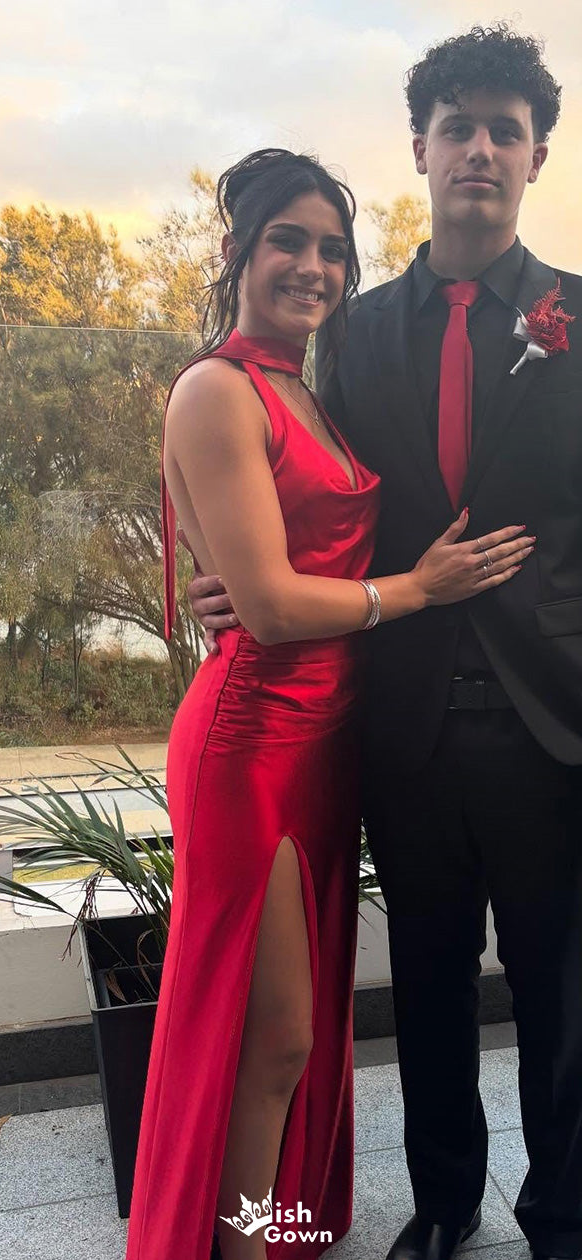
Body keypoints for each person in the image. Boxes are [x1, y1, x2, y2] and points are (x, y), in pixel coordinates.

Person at [188, 26, 582, 1260]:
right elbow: (302, 492)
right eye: (458, 127)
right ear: (422, 147)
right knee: (426, 982)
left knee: (564, 992)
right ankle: (446, 1200)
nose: (480, 150)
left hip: (553, 719)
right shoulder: (348, 333)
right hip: (395, 719)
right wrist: (231, 581)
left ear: (537, 156)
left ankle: (563, 1214)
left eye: (505, 131)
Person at [124, 147, 530, 1260]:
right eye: (288, 242)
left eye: (333, 251)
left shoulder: (305, 384)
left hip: (324, 744)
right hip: (253, 743)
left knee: (285, 1036)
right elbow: (265, 605)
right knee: (278, 1040)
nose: (313, 267)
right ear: (237, 252)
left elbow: (281, 557)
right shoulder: (218, 387)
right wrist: (419, 589)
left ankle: (258, 1230)